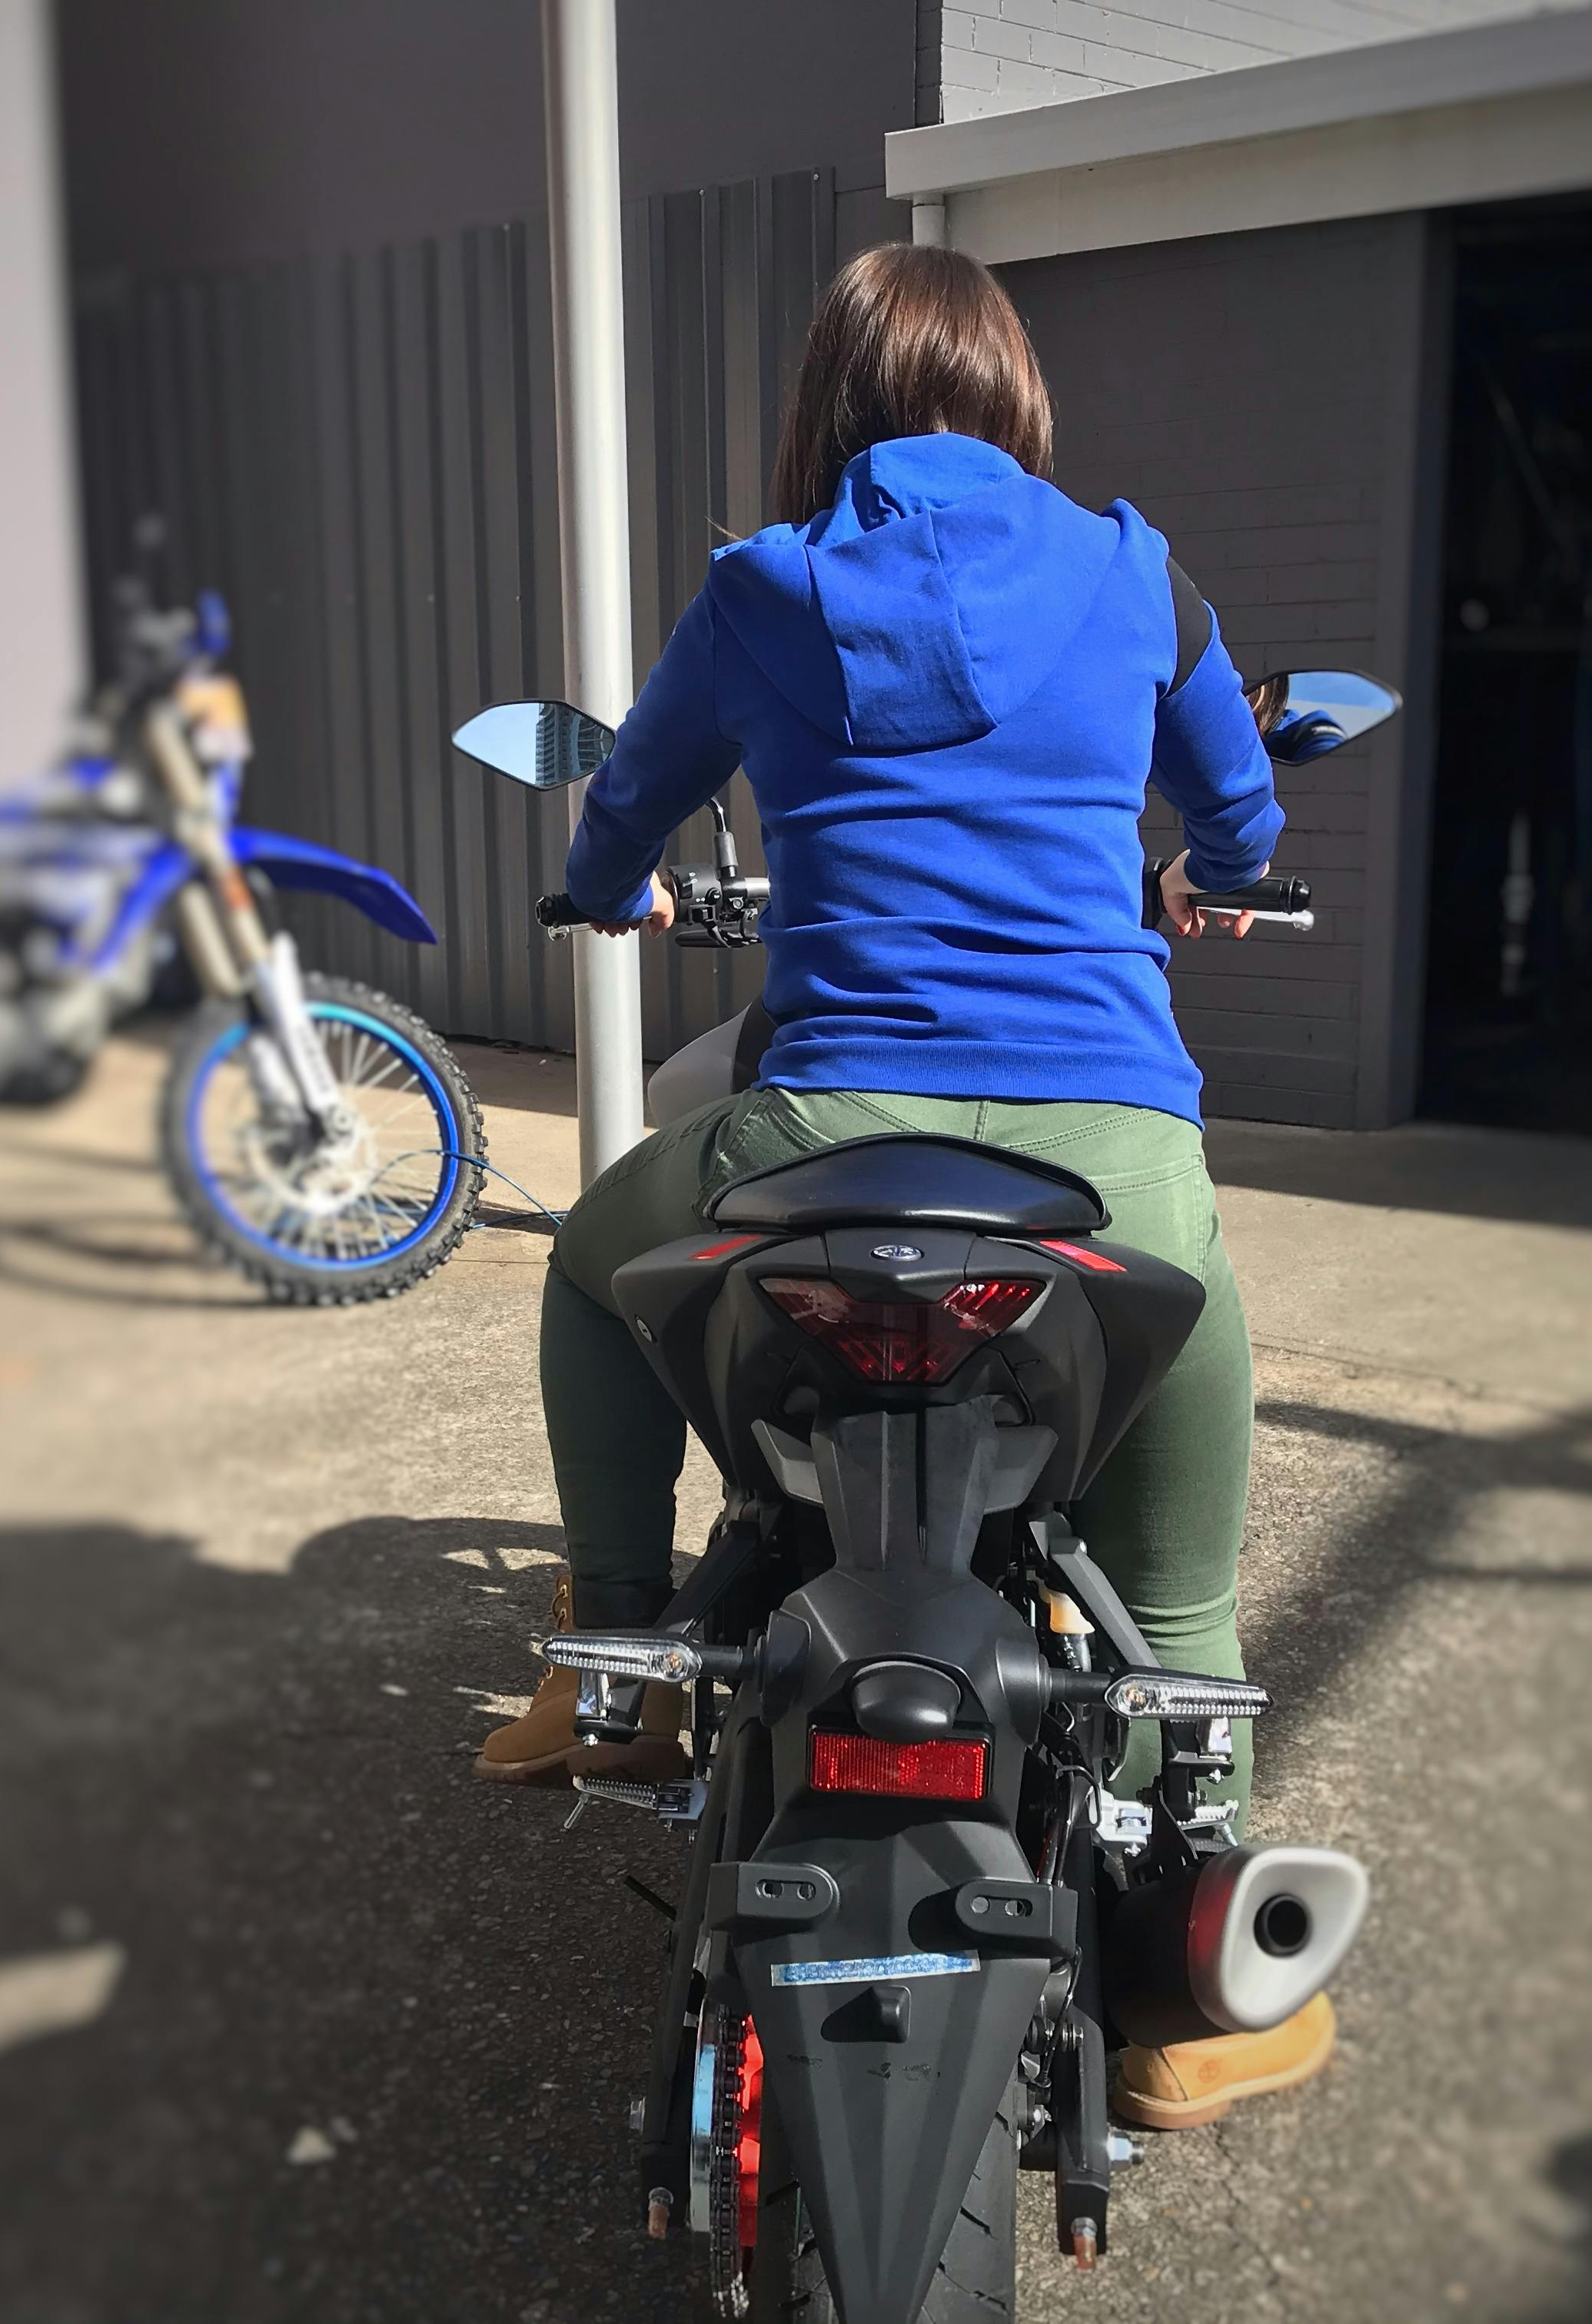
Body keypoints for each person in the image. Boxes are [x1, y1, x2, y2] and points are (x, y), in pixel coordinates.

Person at [470, 243, 1331, 2130]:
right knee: (1182, 1609)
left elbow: (627, 805)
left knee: (588, 1256)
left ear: (823, 408)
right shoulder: (1134, 568)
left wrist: (605, 882)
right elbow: (1244, 801)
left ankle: (601, 1657)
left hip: (819, 1148)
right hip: (1111, 1179)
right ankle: (1204, 1993)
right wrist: (1216, 864)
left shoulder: (763, 588)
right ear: (1017, 398)